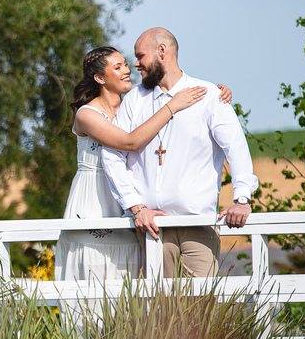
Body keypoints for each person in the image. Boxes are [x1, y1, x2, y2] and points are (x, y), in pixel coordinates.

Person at [55, 46, 225, 288]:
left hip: (129, 202)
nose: (127, 70)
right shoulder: (87, 115)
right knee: (91, 282)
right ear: (99, 78)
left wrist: (216, 92)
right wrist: (172, 107)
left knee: (130, 284)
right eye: (118, 67)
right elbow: (130, 141)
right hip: (94, 200)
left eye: (125, 64)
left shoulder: (134, 105)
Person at [101, 28, 257, 277]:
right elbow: (112, 154)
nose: (135, 63)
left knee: (203, 307)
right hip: (151, 229)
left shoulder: (209, 95)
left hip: (198, 224)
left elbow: (236, 148)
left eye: (140, 55)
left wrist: (242, 199)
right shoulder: (134, 100)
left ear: (161, 51)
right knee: (160, 310)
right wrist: (135, 207)